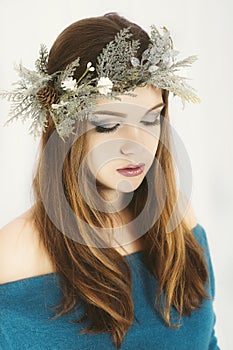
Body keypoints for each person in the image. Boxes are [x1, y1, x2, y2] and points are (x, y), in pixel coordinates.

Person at [0, 12, 220, 350]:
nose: (137, 145)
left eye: (151, 119)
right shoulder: (11, 259)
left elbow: (206, 341)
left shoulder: (176, 219)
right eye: (107, 124)